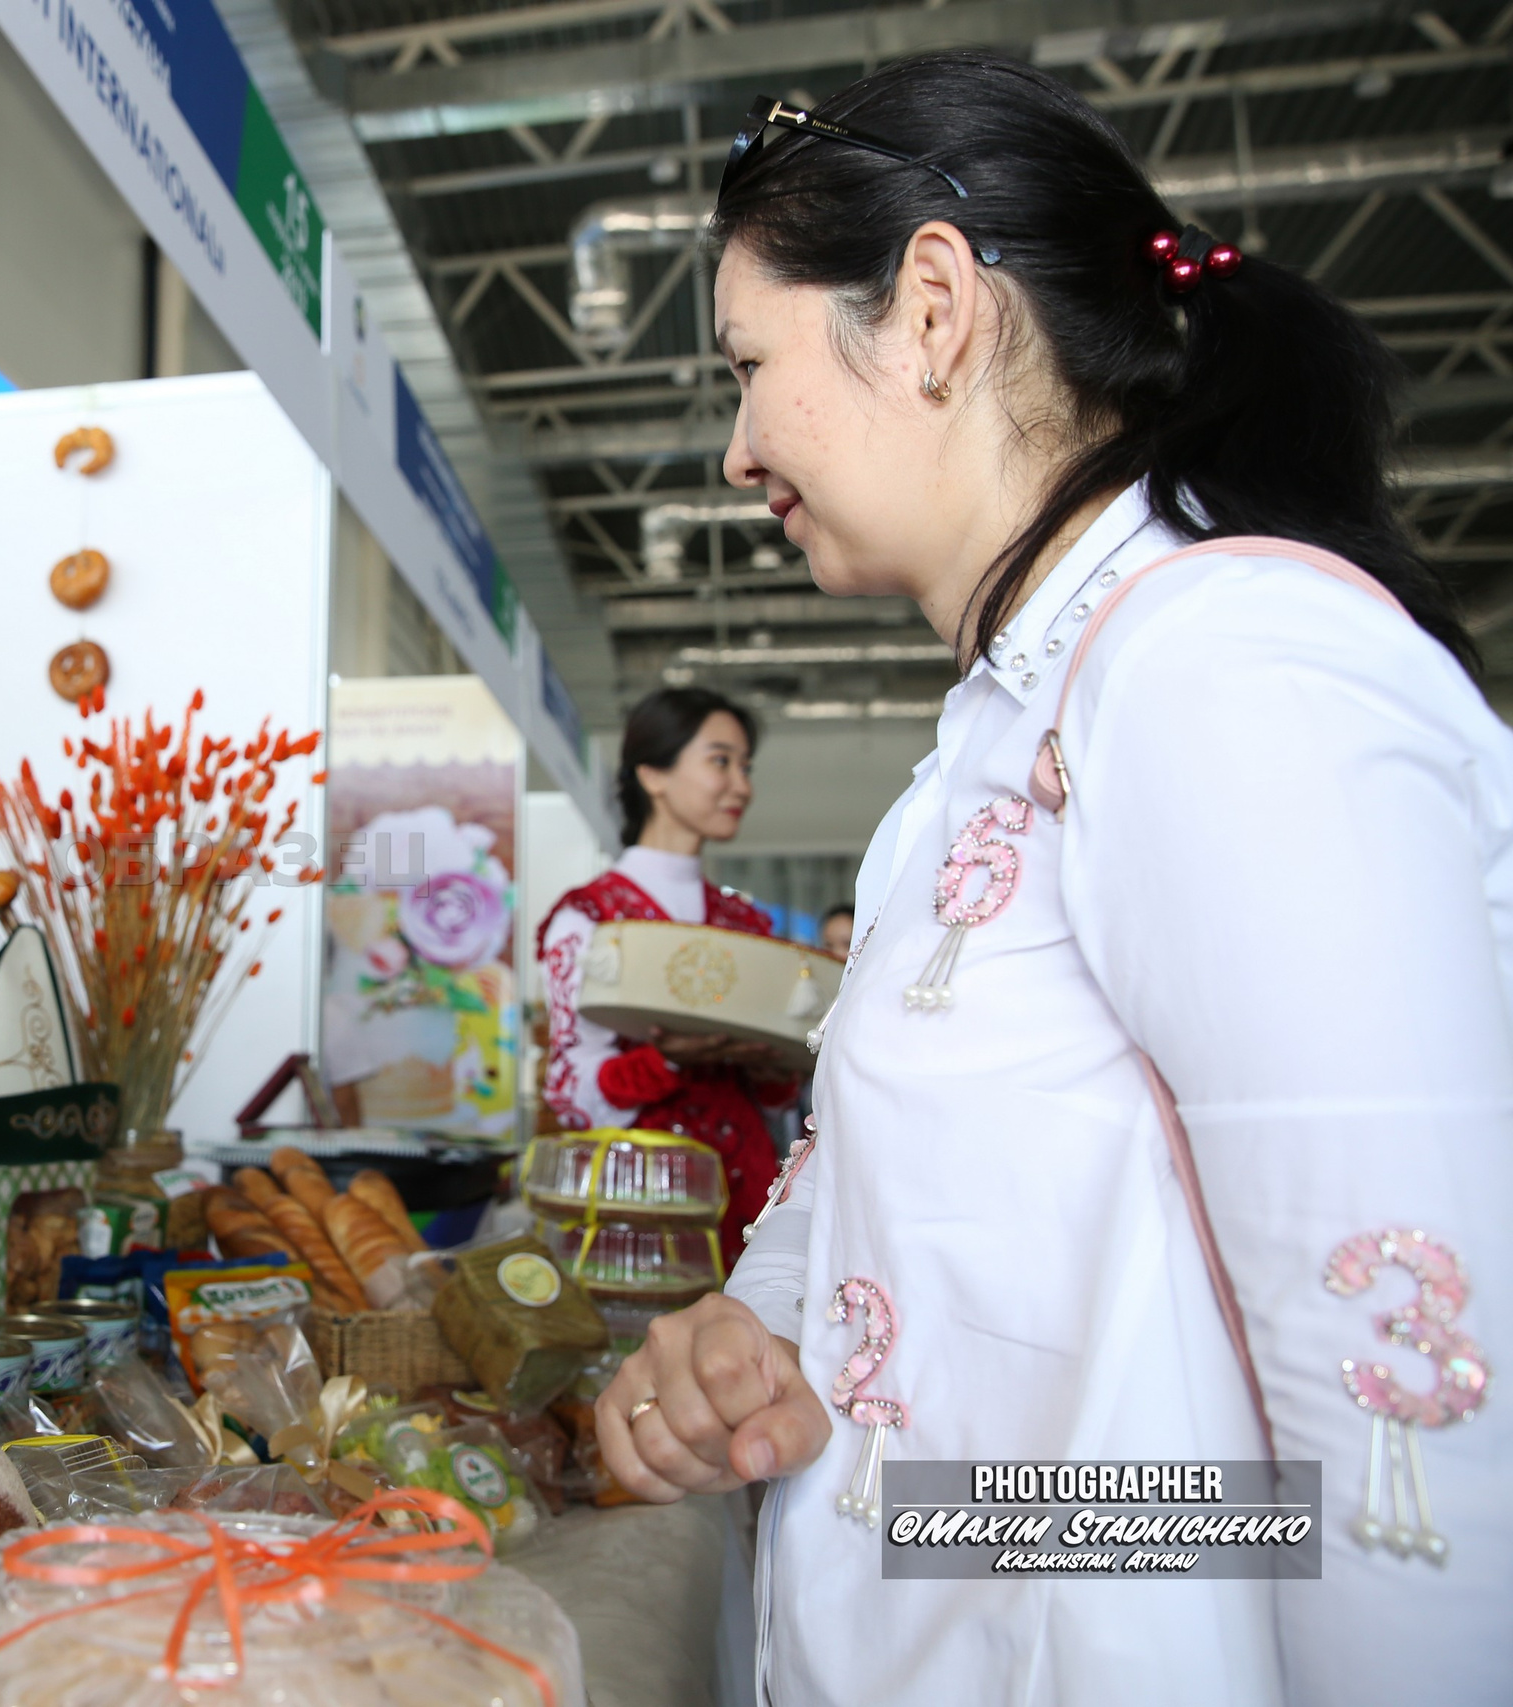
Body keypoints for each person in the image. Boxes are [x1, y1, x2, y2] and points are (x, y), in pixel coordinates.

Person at [593, 53, 1509, 1705]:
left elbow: (1411, 1448)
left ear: (933, 306)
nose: (738, 450)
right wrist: (778, 1346)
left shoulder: (1222, 669)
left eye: (750, 367)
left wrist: (937, 1513)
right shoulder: (985, 753)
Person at [538, 686, 791, 1254]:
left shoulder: (742, 921)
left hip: (751, 1201)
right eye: (720, 761)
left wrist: (777, 1059)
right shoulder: (592, 919)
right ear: (653, 774)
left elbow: (777, 1098)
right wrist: (669, 1058)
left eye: (746, 767)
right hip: (642, 1206)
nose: (742, 786)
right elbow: (571, 1092)